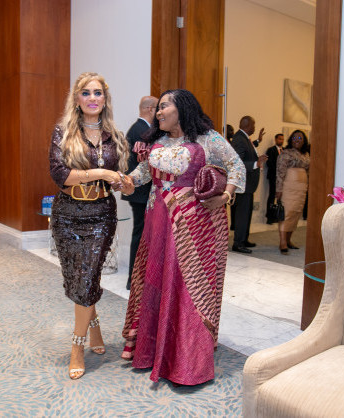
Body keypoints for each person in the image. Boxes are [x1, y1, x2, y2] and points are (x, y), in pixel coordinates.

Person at [121, 89, 245, 386]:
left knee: (186, 284)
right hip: (157, 221)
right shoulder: (158, 141)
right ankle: (153, 351)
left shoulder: (208, 139)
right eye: (158, 108)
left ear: (182, 109)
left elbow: (236, 166)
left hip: (194, 225)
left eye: (164, 106)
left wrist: (226, 196)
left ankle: (187, 361)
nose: (158, 112)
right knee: (156, 279)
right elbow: (143, 173)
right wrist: (126, 181)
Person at [49, 72, 134, 380]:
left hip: (101, 215)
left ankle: (77, 346)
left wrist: (125, 184)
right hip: (67, 214)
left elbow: (121, 179)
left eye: (98, 93)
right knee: (79, 278)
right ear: (77, 99)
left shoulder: (116, 136)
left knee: (86, 277)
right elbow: (60, 174)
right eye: (86, 93)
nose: (93, 98)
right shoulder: (63, 132)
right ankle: (94, 327)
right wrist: (100, 172)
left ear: (105, 99)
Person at [122, 96, 158, 290]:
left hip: (139, 192)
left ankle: (137, 277)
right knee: (140, 234)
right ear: (151, 109)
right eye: (158, 108)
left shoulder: (137, 129)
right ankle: (133, 279)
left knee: (142, 233)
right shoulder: (142, 131)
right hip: (141, 192)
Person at [230, 116, 267, 254]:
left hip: (249, 185)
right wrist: (256, 163)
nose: (255, 127)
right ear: (247, 125)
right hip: (243, 185)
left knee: (247, 214)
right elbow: (237, 163)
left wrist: (258, 141)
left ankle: (244, 239)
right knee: (242, 215)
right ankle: (238, 243)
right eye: (253, 125)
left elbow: (249, 150)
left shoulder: (244, 138)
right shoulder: (239, 139)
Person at [275, 129, 310, 254]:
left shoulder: (306, 154)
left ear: (304, 141)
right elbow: (280, 172)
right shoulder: (286, 153)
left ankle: (289, 240)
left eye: (300, 138)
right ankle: (282, 242)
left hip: (301, 188)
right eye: (294, 138)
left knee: (296, 214)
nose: (297, 140)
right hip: (288, 187)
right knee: (287, 213)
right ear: (291, 140)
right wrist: (279, 189)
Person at [265, 133, 284, 224]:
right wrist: (277, 173)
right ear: (276, 139)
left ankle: (279, 216)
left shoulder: (285, 150)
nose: (281, 141)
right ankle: (270, 218)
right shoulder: (271, 150)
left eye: (282, 139)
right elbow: (269, 163)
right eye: (280, 139)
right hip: (273, 177)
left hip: (283, 178)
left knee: (281, 197)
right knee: (272, 196)